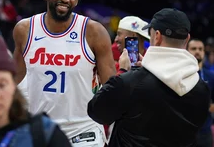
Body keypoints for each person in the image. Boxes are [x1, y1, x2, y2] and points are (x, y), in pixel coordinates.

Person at [13, 0, 116, 146]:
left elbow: (111, 87)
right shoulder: (25, 29)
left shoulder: (93, 32)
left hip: (83, 130)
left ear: (76, 0)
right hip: (41, 129)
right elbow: (14, 78)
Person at [87, 8, 211, 147]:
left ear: (157, 36)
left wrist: (123, 72)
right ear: (187, 38)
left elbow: (97, 111)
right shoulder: (202, 88)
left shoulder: (130, 82)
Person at [187, 38, 214, 147]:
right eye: (193, 49)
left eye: (200, 49)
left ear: (204, 52)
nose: (197, 51)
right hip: (185, 130)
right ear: (187, 51)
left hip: (205, 130)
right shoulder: (180, 74)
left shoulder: (211, 76)